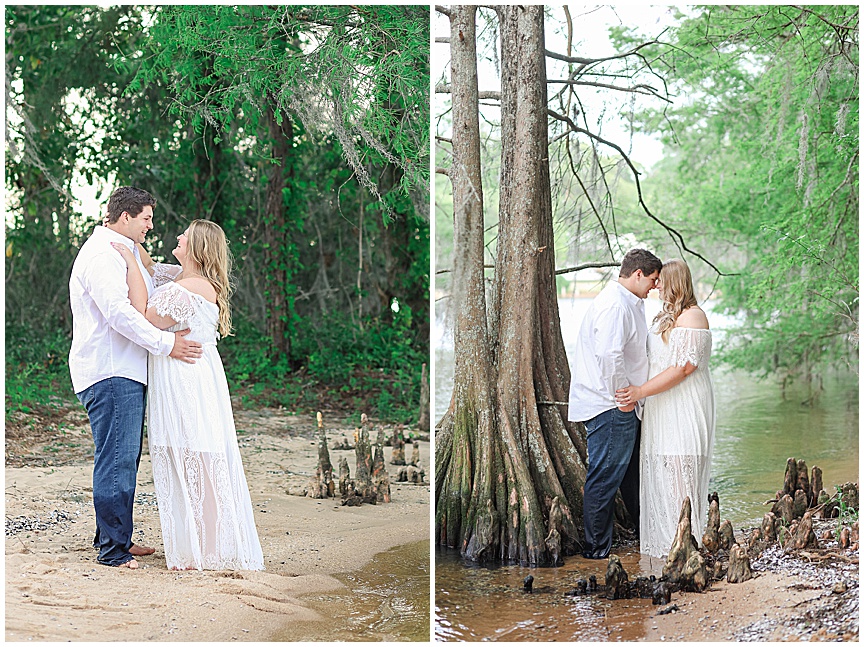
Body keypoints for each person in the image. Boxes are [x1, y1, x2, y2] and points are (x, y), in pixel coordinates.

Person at [112, 219, 264, 571]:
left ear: (197, 248)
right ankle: (197, 546)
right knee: (185, 455)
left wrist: (130, 261)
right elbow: (151, 268)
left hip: (189, 379)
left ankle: (207, 550)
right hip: (176, 376)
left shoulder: (193, 286)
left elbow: (147, 317)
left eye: (185, 236)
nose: (177, 237)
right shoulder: (181, 278)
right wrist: (130, 242)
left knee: (200, 455)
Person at [69, 186, 203, 569]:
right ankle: (113, 551)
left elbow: (158, 280)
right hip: (110, 370)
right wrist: (166, 344)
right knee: (117, 461)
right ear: (125, 216)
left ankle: (116, 538)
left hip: (122, 371)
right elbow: (120, 313)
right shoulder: (102, 254)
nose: (150, 226)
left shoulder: (123, 251)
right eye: (145, 218)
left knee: (121, 458)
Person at [615, 259, 715, 558]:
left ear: (674, 282)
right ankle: (664, 548)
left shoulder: (693, 317)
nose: (655, 285)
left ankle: (687, 544)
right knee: (661, 473)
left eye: (661, 281)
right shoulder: (665, 317)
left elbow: (684, 367)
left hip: (684, 404)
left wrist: (640, 391)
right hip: (660, 406)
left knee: (681, 473)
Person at [568, 248, 663, 559]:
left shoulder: (629, 302)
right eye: (652, 279)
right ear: (637, 274)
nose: (655, 286)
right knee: (604, 477)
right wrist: (623, 396)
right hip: (610, 406)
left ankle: (646, 538)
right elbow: (609, 356)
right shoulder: (615, 306)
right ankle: (596, 551)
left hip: (624, 405)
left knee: (632, 476)